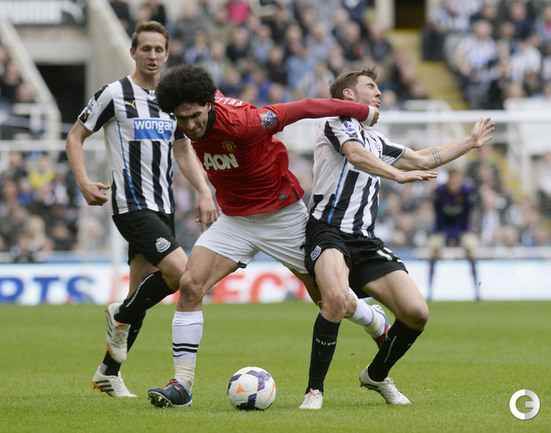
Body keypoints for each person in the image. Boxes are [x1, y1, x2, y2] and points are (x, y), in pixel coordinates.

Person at [144, 63, 387, 408]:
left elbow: (306, 107)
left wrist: (363, 111)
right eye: (182, 119)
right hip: (235, 220)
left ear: (209, 105)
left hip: (283, 216)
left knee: (330, 299)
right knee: (191, 284)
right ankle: (182, 386)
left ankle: (373, 318)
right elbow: (184, 118)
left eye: (196, 116)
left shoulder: (245, 122)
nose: (191, 125)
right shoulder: (186, 111)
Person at [298, 67, 494, 409]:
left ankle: (376, 375)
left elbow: (423, 157)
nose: (379, 92)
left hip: (364, 240)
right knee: (335, 300)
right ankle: (315, 390)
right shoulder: (336, 122)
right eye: (370, 86)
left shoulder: (377, 140)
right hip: (328, 230)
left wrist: (470, 142)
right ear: (348, 95)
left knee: (416, 313)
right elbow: (355, 154)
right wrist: (397, 175)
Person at [65, 21, 217, 398]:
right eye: (145, 48)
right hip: (131, 204)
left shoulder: (170, 101)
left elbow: (183, 150)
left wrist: (204, 190)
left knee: (141, 293)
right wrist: (83, 181)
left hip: (163, 207)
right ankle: (121, 313)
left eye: (158, 49)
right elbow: (75, 137)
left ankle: (108, 372)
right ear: (133, 52)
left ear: (167, 54)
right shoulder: (114, 93)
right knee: (182, 273)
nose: (152, 55)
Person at [427, 169, 480, 301]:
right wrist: (443, 234)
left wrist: (460, 233)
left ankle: (477, 292)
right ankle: (429, 292)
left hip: (462, 227)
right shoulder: (439, 192)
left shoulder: (468, 191)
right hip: (442, 227)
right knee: (433, 253)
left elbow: (468, 213)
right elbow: (438, 214)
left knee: (471, 251)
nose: (454, 184)